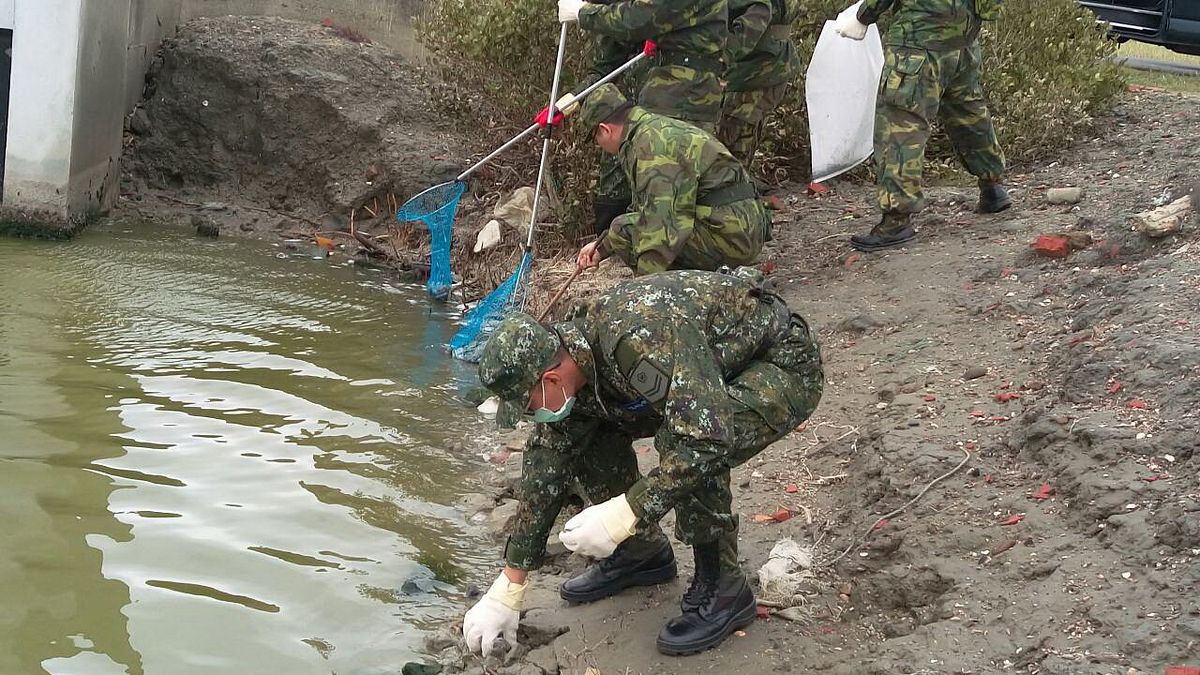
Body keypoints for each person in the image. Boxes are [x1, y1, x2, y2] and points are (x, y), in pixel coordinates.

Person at [460, 267, 823, 657]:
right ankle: (641, 554)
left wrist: (627, 511)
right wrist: (510, 584)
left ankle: (724, 586)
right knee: (579, 431)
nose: (531, 416)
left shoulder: (638, 337)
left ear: (550, 379)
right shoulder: (576, 357)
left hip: (778, 365)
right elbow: (546, 460)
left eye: (527, 406)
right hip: (704, 375)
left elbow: (704, 439)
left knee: (684, 442)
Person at [834, 0, 1012, 252]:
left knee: (901, 125)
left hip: (918, 43)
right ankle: (993, 186)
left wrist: (863, 16)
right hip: (963, 40)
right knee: (969, 113)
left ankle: (896, 221)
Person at [557, 0, 728, 235]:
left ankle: (672, 252)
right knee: (666, 180)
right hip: (672, 89)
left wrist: (582, 13)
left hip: (684, 93)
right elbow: (608, 61)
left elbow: (641, 17)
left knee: (670, 178)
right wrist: (571, 100)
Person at [572, 84, 770, 276]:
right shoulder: (651, 131)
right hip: (738, 224)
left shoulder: (651, 145)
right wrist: (601, 248)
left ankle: (679, 292)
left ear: (605, 130)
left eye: (596, 139)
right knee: (622, 229)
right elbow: (645, 208)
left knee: (625, 231)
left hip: (733, 233)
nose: (600, 146)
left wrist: (645, 289)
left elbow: (661, 223)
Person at [718, 0, 802, 176]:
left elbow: (755, 19)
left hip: (758, 69)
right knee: (730, 139)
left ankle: (735, 194)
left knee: (732, 145)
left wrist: (717, 60)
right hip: (752, 68)